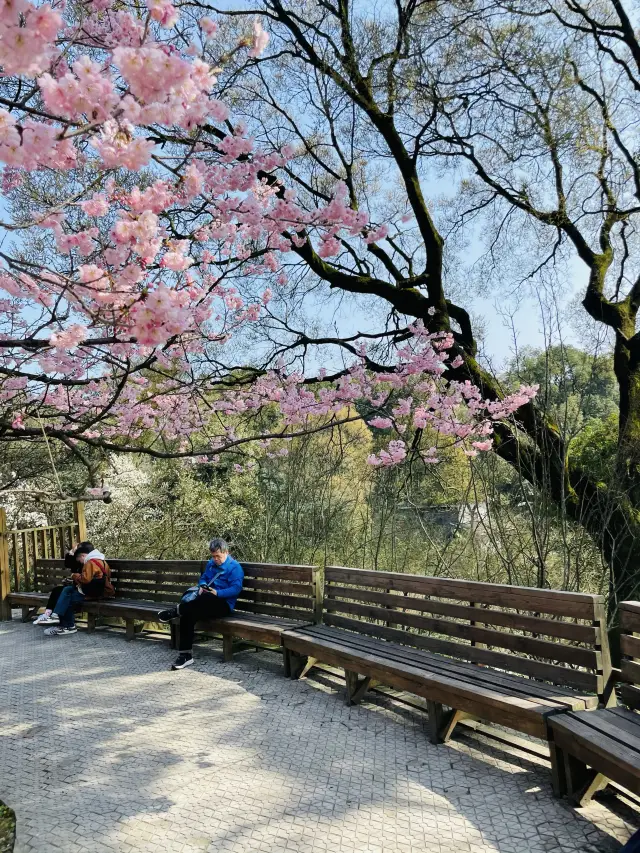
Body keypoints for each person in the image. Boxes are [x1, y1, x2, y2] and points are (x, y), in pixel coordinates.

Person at [158, 538, 243, 671]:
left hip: (223, 604)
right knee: (188, 615)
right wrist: (202, 585)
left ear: (226, 552)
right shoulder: (211, 564)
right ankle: (185, 655)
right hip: (203, 602)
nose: (215, 559)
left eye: (218, 556)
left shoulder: (235, 568)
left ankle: (176, 610)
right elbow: (203, 579)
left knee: (204, 600)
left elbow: (236, 589)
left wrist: (218, 593)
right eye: (213, 556)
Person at [38, 543, 114, 636]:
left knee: (66, 597)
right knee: (66, 592)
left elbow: (85, 579)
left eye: (80, 560)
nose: (81, 562)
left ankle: (66, 625)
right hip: (100, 591)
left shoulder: (90, 562)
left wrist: (74, 576)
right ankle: (61, 621)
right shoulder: (102, 561)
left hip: (93, 593)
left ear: (83, 555)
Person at [32, 541, 93, 625]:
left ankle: (63, 622)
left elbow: (85, 578)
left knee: (65, 593)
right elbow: (68, 564)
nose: (77, 552)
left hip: (84, 591)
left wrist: (73, 579)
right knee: (57, 590)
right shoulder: (82, 561)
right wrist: (71, 551)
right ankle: (49, 614)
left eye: (78, 549)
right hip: (79, 587)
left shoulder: (89, 562)